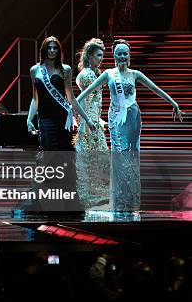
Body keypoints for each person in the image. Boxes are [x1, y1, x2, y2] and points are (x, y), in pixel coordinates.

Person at [77, 39, 184, 211]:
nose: (122, 56)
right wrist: (71, 107)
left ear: (129, 56)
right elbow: (87, 92)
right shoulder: (108, 74)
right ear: (113, 55)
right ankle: (119, 200)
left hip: (132, 117)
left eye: (124, 53)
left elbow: (155, 89)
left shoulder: (135, 74)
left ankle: (130, 200)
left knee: (131, 157)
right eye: (118, 53)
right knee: (118, 156)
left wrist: (174, 104)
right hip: (115, 118)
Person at [25, 36, 94, 212]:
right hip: (45, 119)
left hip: (63, 119)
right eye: (49, 48)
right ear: (44, 50)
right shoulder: (35, 70)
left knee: (65, 158)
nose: (52, 51)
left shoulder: (65, 70)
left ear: (59, 50)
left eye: (55, 48)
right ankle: (44, 200)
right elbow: (36, 98)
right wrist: (28, 118)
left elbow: (70, 98)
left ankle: (69, 200)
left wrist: (86, 118)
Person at [75, 38, 110, 210]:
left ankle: (95, 196)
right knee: (91, 159)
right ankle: (89, 197)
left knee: (98, 158)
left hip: (94, 120)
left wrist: (100, 120)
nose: (100, 59)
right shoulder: (87, 75)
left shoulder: (94, 73)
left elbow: (95, 101)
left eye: (102, 56)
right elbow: (84, 102)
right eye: (98, 55)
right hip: (88, 122)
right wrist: (86, 121)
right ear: (89, 56)